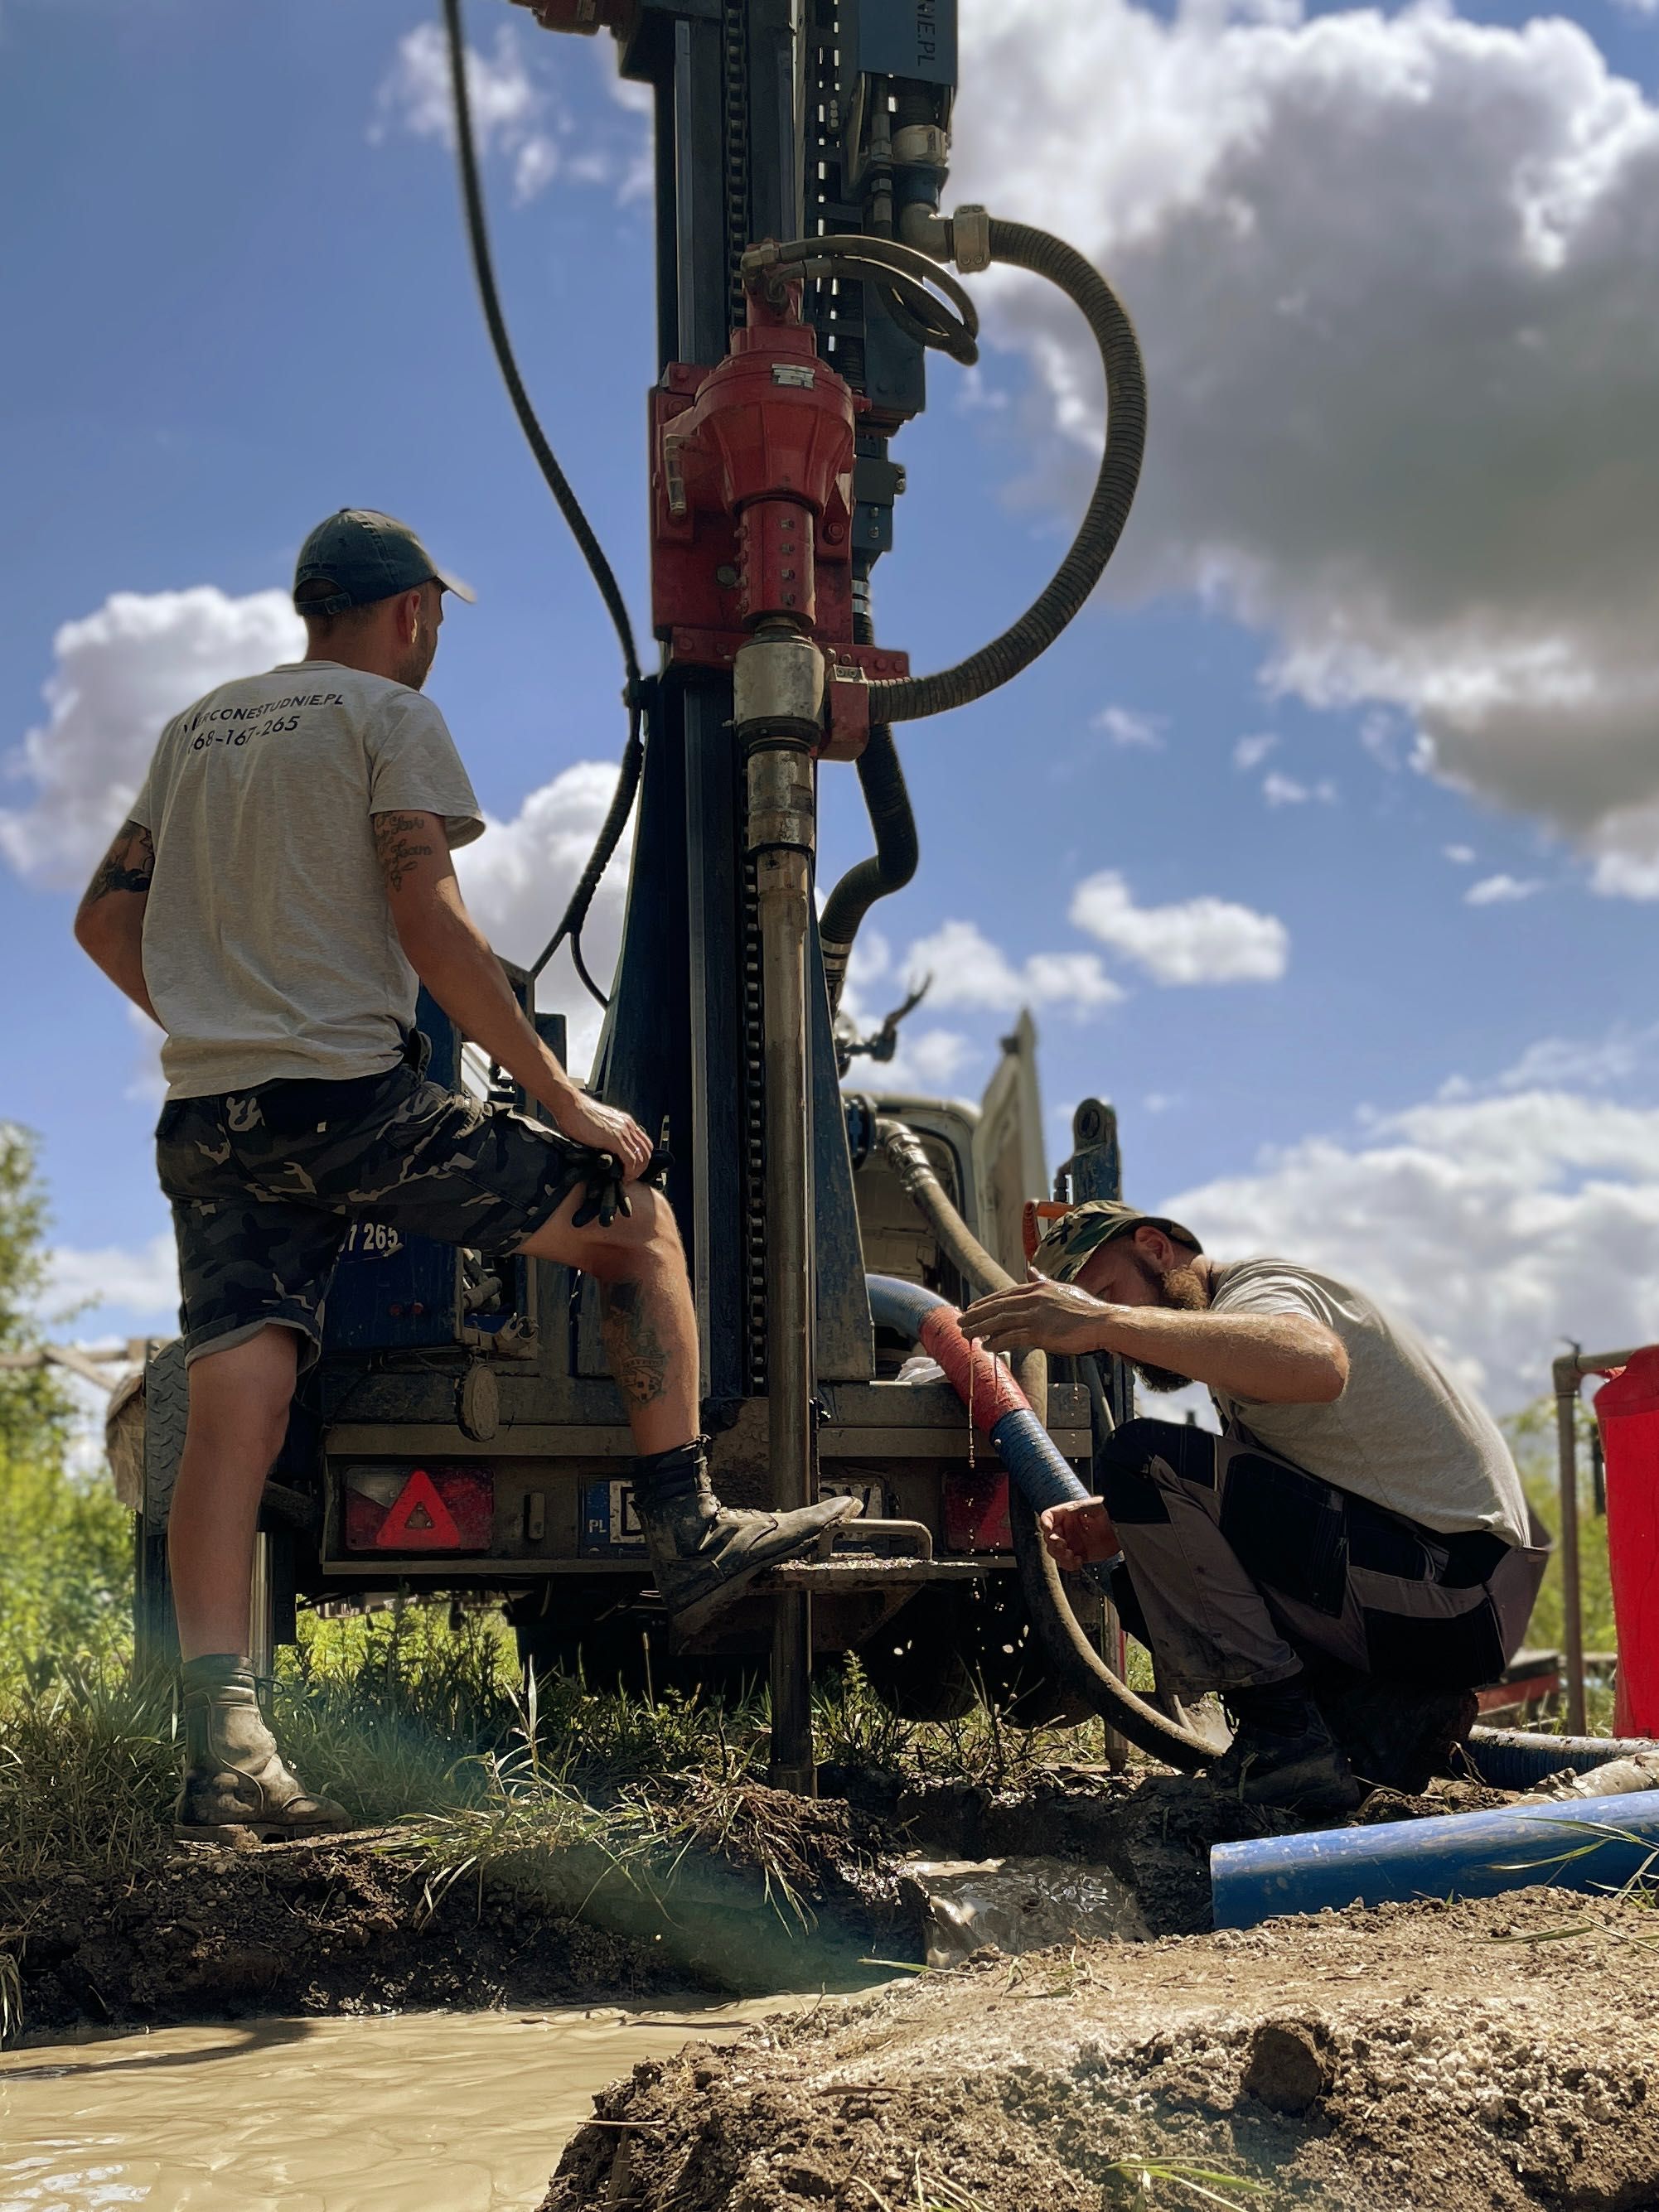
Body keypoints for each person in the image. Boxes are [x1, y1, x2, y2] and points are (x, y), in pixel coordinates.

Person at [73, 507, 857, 1843]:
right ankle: (686, 1526)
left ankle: (231, 1763)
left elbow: (102, 916)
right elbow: (427, 915)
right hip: (352, 1103)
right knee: (635, 1223)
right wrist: (565, 1101)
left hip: (213, 1118)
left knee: (237, 1411)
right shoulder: (385, 714)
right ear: (413, 613)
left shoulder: (194, 729)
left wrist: (219, 1021)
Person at [959, 1200, 1549, 1813]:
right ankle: (1379, 1718)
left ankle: (1287, 1744)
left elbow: (1316, 1363)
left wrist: (1103, 1321)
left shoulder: (1261, 1289)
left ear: (1156, 1249)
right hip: (1444, 1598)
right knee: (1146, 1570)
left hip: (1455, 1589)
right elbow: (1281, 1503)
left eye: (1109, 1290)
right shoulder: (1234, 1357)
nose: (1115, 1346)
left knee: (1138, 1456)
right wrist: (1124, 1520)